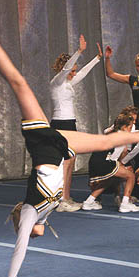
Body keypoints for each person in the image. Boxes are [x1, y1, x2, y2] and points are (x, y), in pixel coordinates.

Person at [0, 0, 139, 277]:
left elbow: (21, 245)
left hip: (43, 142)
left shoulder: (31, 211)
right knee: (103, 141)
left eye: (28, 229)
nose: (33, 232)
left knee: (19, 83)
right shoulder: (43, 213)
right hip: (58, 142)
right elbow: (34, 234)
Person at [50, 35, 102, 212]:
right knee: (66, 162)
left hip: (69, 124)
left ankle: (66, 196)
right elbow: (67, 69)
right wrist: (79, 51)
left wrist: (97, 58)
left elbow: (83, 73)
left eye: (74, 70)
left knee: (70, 161)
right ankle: (61, 200)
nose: (74, 73)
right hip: (60, 124)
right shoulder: (57, 82)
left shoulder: (67, 83)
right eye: (72, 70)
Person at [82, 114, 139, 213]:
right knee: (130, 176)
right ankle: (125, 204)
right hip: (105, 162)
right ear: (124, 127)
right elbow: (114, 158)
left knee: (110, 179)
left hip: (93, 162)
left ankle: (89, 202)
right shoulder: (121, 138)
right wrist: (122, 167)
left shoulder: (111, 133)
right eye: (130, 126)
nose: (131, 129)